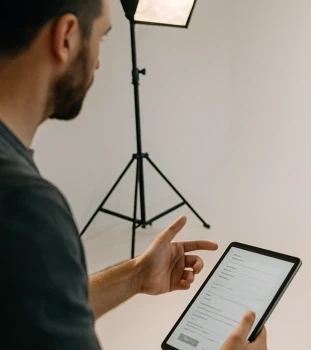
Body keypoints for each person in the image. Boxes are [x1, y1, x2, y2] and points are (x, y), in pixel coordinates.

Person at [0, 1, 266, 349]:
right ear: (66, 37)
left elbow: (31, 308)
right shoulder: (26, 206)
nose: (96, 61)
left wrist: (136, 275)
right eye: (101, 38)